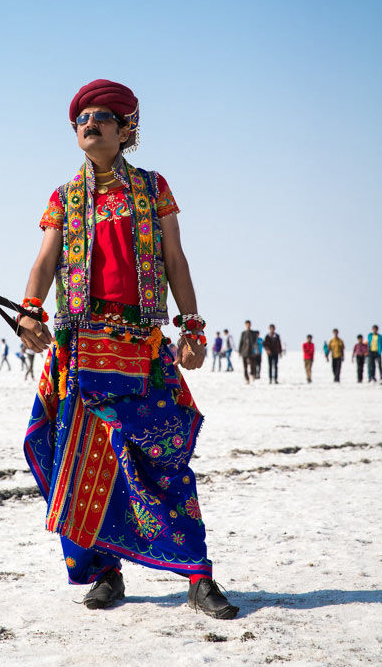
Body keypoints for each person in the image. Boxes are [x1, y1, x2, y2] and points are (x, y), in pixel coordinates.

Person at [20, 79, 238, 620]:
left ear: (124, 130)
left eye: (100, 116)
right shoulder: (63, 198)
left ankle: (197, 575)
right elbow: (46, 262)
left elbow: (176, 260)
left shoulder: (152, 188)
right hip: (80, 349)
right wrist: (29, 309)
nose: (88, 123)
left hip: (141, 346)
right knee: (84, 464)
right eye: (80, 119)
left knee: (166, 461)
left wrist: (192, 325)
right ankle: (103, 574)